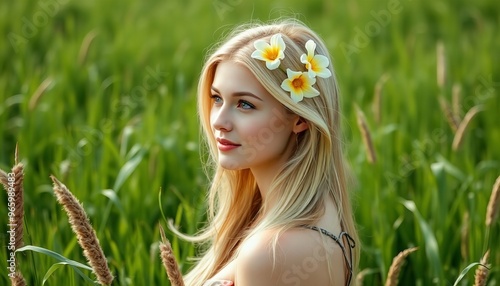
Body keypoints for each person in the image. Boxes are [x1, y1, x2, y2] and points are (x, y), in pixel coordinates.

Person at [171, 19, 359, 286]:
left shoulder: (274, 252)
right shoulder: (299, 214)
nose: (219, 121)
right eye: (217, 99)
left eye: (245, 104)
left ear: (299, 119)